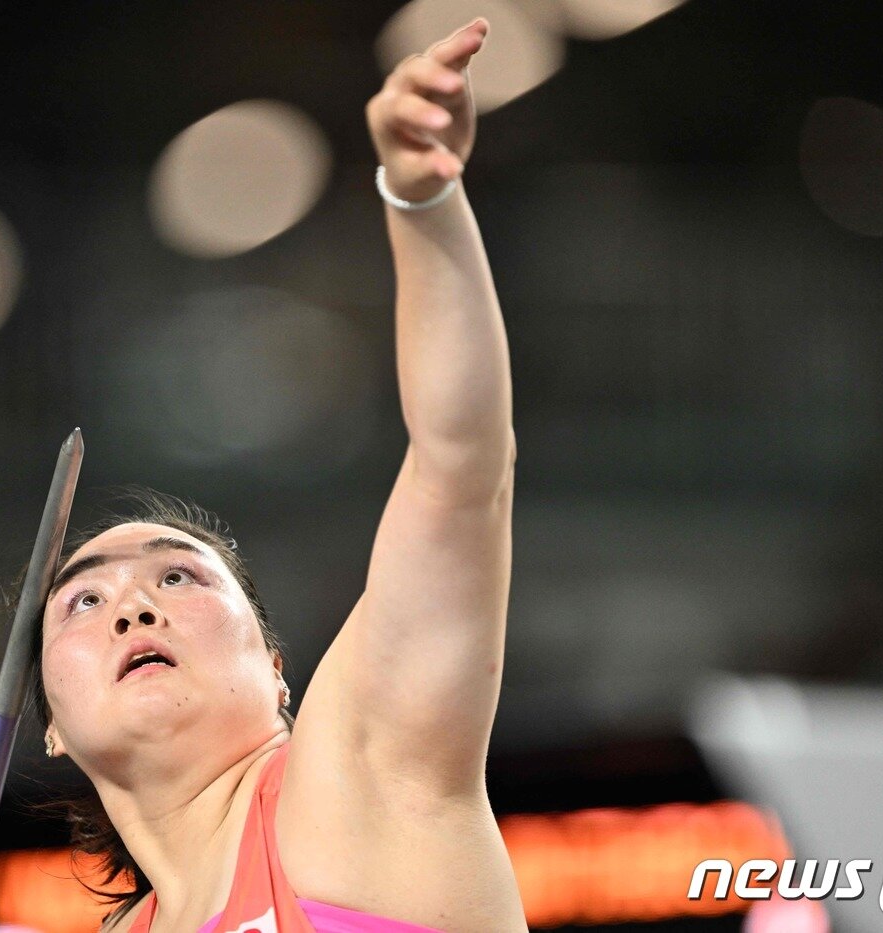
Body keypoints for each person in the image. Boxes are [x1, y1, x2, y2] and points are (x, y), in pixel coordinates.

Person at [32, 17, 524, 932]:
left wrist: (421, 202)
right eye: (83, 603)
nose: (135, 606)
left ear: (279, 669)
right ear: (51, 724)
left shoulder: (354, 774)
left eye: (178, 576)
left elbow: (462, 470)